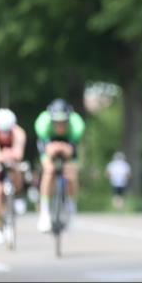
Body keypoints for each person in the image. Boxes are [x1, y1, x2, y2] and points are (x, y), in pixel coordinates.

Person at [34, 99, 85, 232]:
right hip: (48, 141)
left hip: (69, 141)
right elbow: (45, 147)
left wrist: (67, 150)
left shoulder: (77, 125)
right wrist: (51, 150)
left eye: (63, 122)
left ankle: (71, 207)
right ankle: (44, 213)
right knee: (49, 170)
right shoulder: (42, 123)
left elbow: (72, 149)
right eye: (56, 122)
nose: (60, 125)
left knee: (71, 174)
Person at [0, 108, 27, 244]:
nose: (5, 134)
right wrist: (7, 154)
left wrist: (11, 156)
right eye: (2, 131)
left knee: (17, 170)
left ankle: (18, 195)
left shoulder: (19, 132)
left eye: (7, 131)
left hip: (12, 161)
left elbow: (19, 154)